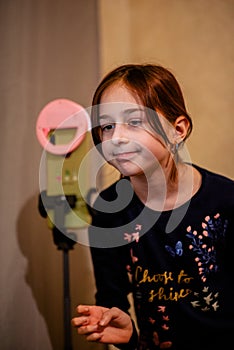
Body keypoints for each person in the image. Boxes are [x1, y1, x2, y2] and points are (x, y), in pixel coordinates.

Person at [71, 64, 234, 349]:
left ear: (177, 130)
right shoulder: (110, 211)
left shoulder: (225, 200)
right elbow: (113, 302)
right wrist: (127, 335)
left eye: (135, 121)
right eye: (107, 126)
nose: (117, 137)